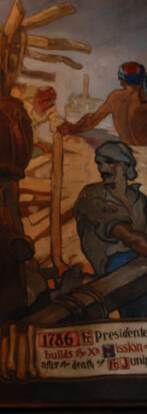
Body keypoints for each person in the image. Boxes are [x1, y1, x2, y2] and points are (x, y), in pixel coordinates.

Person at [73, 140, 147, 317]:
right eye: (99, 163)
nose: (103, 168)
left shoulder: (140, 200)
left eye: (110, 162)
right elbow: (129, 236)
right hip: (113, 266)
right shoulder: (92, 196)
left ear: (126, 165)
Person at [59, 62, 147, 145]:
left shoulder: (115, 97)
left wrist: (72, 128)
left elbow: (92, 120)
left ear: (121, 80)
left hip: (128, 147)